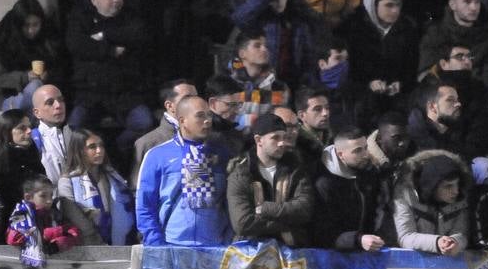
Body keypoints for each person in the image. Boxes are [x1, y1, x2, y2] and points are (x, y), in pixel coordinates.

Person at [135, 95, 232, 247]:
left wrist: (227, 241)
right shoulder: (157, 155)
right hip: (171, 244)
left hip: (215, 247)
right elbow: (145, 205)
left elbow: (231, 202)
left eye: (209, 115)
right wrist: (157, 245)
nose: (207, 121)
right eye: (200, 116)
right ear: (182, 120)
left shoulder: (223, 155)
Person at [65, 0, 151, 128]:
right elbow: (77, 45)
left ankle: (119, 147)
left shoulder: (132, 18)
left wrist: (103, 35)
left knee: (144, 123)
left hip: (127, 94)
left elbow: (137, 36)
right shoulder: (80, 20)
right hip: (90, 95)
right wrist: (110, 50)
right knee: (74, 128)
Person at [225, 112, 314, 245]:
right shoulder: (241, 173)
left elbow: (305, 210)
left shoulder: (295, 170)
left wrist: (266, 209)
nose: (282, 143)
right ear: (258, 140)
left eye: (284, 137)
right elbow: (242, 223)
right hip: (250, 253)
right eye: (275, 138)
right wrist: (288, 224)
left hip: (290, 253)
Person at [345, 0, 419, 112]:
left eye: (398, 5)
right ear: (374, 5)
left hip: (397, 100)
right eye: (389, 5)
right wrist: (369, 83)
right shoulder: (354, 28)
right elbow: (350, 69)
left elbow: (412, 66)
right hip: (360, 100)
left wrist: (401, 84)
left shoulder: (408, 29)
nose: (395, 10)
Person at [417, 0, 488, 91]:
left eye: (477, 2)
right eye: (467, 2)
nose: (474, 7)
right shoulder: (435, 33)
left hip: (476, 97)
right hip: (441, 97)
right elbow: (424, 76)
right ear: (452, 5)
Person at [312, 128, 385, 252]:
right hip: (333, 256)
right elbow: (322, 232)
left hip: (365, 250)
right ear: (341, 155)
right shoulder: (324, 184)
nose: (366, 154)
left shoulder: (369, 173)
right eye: (358, 151)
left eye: (366, 148)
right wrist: (357, 239)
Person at [58, 128, 135, 246]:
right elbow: (73, 214)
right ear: (79, 151)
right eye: (92, 147)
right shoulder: (67, 181)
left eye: (101, 146)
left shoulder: (112, 176)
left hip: (118, 241)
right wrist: (93, 235)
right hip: (86, 245)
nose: (99, 151)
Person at [0, 0, 64, 113]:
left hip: (43, 94)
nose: (31, 30)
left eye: (35, 25)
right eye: (26, 25)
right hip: (9, 96)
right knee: (35, 87)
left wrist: (48, 75)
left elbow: (60, 68)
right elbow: (0, 79)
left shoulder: (49, 37)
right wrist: (25, 77)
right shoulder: (5, 38)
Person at [0, 109, 46, 242]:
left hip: (37, 228)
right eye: (22, 128)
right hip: (6, 232)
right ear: (7, 132)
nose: (29, 131)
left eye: (29, 127)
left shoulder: (33, 159)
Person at [5, 174, 84, 253]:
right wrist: (48, 234)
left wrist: (62, 243)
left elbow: (75, 233)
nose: (49, 200)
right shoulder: (21, 214)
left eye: (51, 195)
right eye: (43, 196)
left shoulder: (55, 214)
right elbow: (13, 238)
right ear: (28, 197)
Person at [29, 84, 71, 183]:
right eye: (50, 102)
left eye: (61, 100)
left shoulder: (75, 133)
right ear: (37, 113)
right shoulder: (32, 141)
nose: (58, 105)